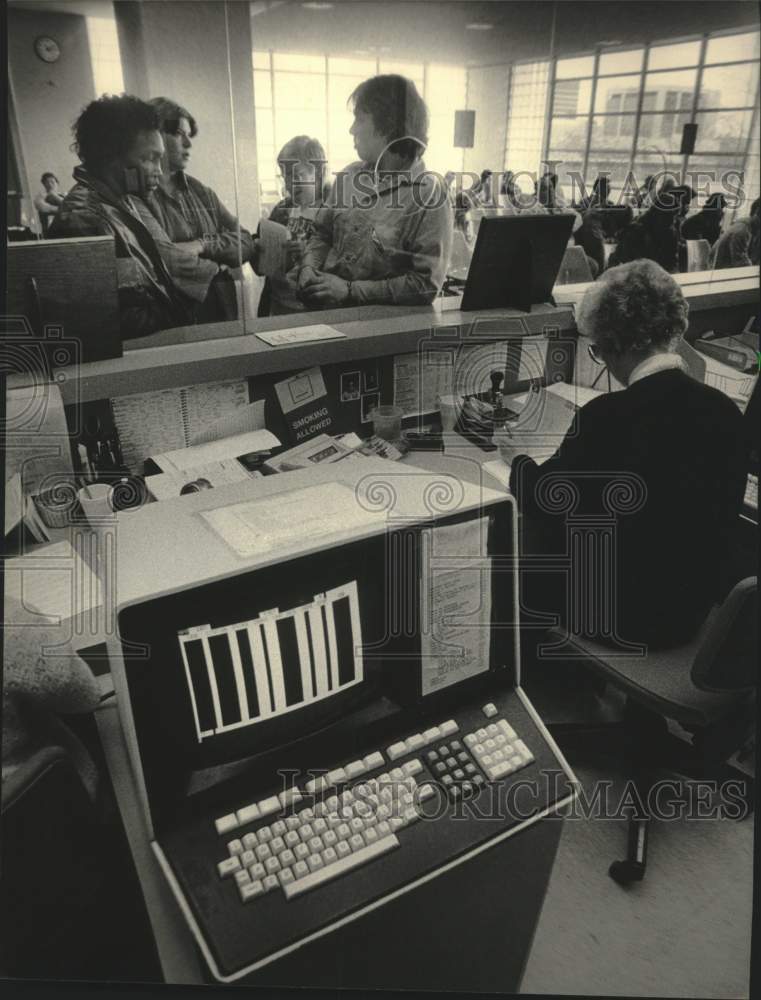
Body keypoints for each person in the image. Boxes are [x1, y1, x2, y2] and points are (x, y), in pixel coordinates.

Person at [501, 259, 747, 648]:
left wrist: (519, 459)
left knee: (516, 553)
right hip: (691, 615)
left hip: (622, 620)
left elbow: (543, 498)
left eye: (597, 350)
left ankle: (525, 677)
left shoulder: (607, 417)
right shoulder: (725, 410)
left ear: (613, 346)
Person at [297, 74, 452, 308]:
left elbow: (424, 285)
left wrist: (350, 291)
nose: (351, 129)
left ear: (387, 125)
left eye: (359, 120)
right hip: (324, 315)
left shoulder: (429, 194)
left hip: (377, 331)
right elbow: (321, 234)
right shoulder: (348, 177)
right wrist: (308, 266)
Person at [49, 95, 197, 339]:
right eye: (150, 159)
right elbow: (109, 323)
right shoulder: (83, 220)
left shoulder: (121, 201)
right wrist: (176, 317)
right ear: (111, 156)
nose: (159, 172)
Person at [145, 96, 254, 316]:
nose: (188, 144)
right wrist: (218, 264)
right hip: (174, 315)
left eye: (189, 135)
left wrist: (202, 245)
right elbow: (160, 262)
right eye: (178, 134)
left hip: (221, 309)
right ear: (155, 137)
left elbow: (246, 241)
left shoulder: (201, 192)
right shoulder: (140, 197)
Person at [256, 135, 329, 316]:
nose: (290, 184)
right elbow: (264, 265)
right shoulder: (281, 210)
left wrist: (310, 255)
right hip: (278, 303)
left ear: (318, 173)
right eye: (286, 176)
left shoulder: (333, 211)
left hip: (314, 309)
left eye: (298, 175)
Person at [608, 188, 682, 272]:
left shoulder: (671, 233)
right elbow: (626, 264)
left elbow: (673, 263)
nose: (673, 220)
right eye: (671, 216)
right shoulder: (636, 231)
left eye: (674, 216)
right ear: (661, 214)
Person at [710, 197, 760, 269]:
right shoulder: (741, 231)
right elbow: (741, 264)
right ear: (757, 213)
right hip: (721, 273)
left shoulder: (754, 230)